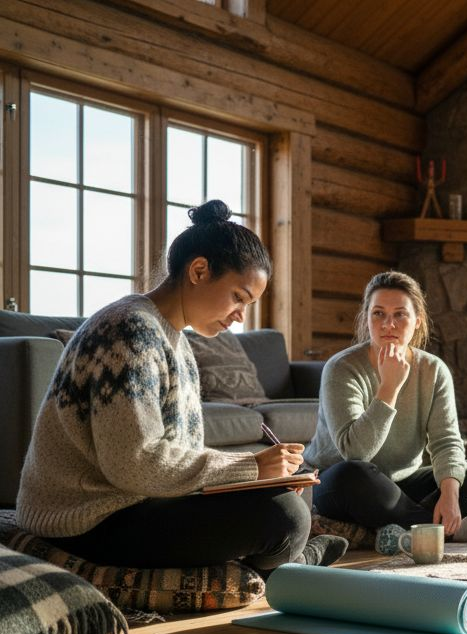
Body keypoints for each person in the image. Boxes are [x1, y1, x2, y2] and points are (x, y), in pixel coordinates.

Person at [17, 200, 346, 572]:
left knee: (283, 500)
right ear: (199, 270)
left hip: (135, 502)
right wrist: (250, 467)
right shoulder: (129, 330)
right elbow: (135, 464)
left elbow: (175, 459)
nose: (240, 316)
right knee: (285, 517)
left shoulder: (176, 342)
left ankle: (287, 559)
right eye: (239, 297)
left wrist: (257, 480)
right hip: (86, 520)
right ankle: (294, 562)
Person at [304, 271, 467, 538]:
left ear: (417, 321)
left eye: (400, 314)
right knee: (353, 475)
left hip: (398, 485)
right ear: (366, 318)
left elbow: (446, 441)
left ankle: (399, 526)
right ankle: (440, 532)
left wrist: (449, 493)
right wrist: (389, 388)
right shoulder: (341, 368)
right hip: (339, 483)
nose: (389, 324)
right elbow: (356, 452)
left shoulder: (433, 370)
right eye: (378, 313)